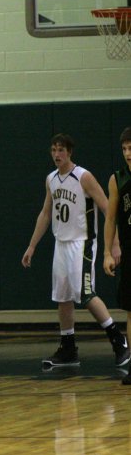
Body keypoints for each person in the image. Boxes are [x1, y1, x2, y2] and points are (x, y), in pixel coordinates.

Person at [22, 133, 130, 370]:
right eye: (53, 150)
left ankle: (118, 339)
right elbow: (46, 213)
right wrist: (32, 245)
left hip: (83, 243)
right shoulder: (51, 179)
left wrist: (114, 243)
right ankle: (68, 348)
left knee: (86, 293)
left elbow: (107, 208)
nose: (56, 154)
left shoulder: (83, 176)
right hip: (61, 243)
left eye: (61, 150)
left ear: (69, 152)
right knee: (62, 296)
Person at [101, 127, 131, 383]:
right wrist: (107, 252)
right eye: (124, 149)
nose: (128, 153)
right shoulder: (117, 179)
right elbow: (110, 219)